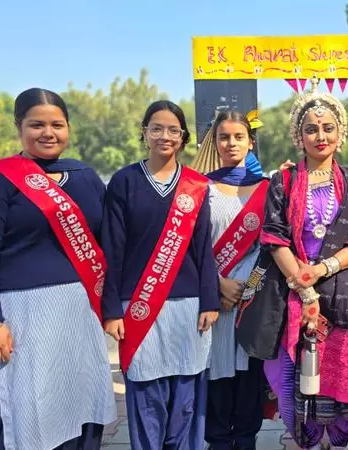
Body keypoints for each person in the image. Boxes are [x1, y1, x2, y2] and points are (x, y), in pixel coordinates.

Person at [0, 88, 116, 449]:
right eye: (37, 124)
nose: (48, 133)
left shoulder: (84, 177)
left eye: (57, 124)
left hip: (79, 315)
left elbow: (109, 241)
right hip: (21, 318)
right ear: (19, 127)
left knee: (81, 405)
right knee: (30, 413)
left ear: (68, 128)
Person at [260, 78, 348, 450]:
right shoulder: (283, 182)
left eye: (328, 128)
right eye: (311, 129)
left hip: (346, 296)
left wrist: (323, 269)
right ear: (299, 135)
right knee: (294, 382)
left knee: (344, 392)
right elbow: (274, 237)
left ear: (341, 133)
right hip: (293, 293)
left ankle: (340, 441)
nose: (320, 136)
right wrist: (303, 281)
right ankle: (308, 442)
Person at [101, 100, 219, 450]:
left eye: (173, 130)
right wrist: (111, 310)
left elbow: (203, 247)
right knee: (146, 394)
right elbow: (112, 249)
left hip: (188, 304)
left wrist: (209, 300)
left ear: (183, 138)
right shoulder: (124, 181)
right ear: (144, 133)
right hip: (137, 306)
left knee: (186, 396)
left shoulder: (196, 185)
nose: (164, 136)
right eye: (157, 128)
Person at [201, 110, 269, 450]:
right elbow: (191, 246)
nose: (231, 143)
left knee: (247, 377)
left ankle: (245, 440)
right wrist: (217, 284)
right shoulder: (200, 187)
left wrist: (249, 286)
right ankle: (217, 441)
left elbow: (272, 247)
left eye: (238, 136)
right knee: (216, 375)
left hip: (251, 300)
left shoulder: (267, 189)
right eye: (224, 137)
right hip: (213, 298)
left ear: (250, 141)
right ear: (215, 142)